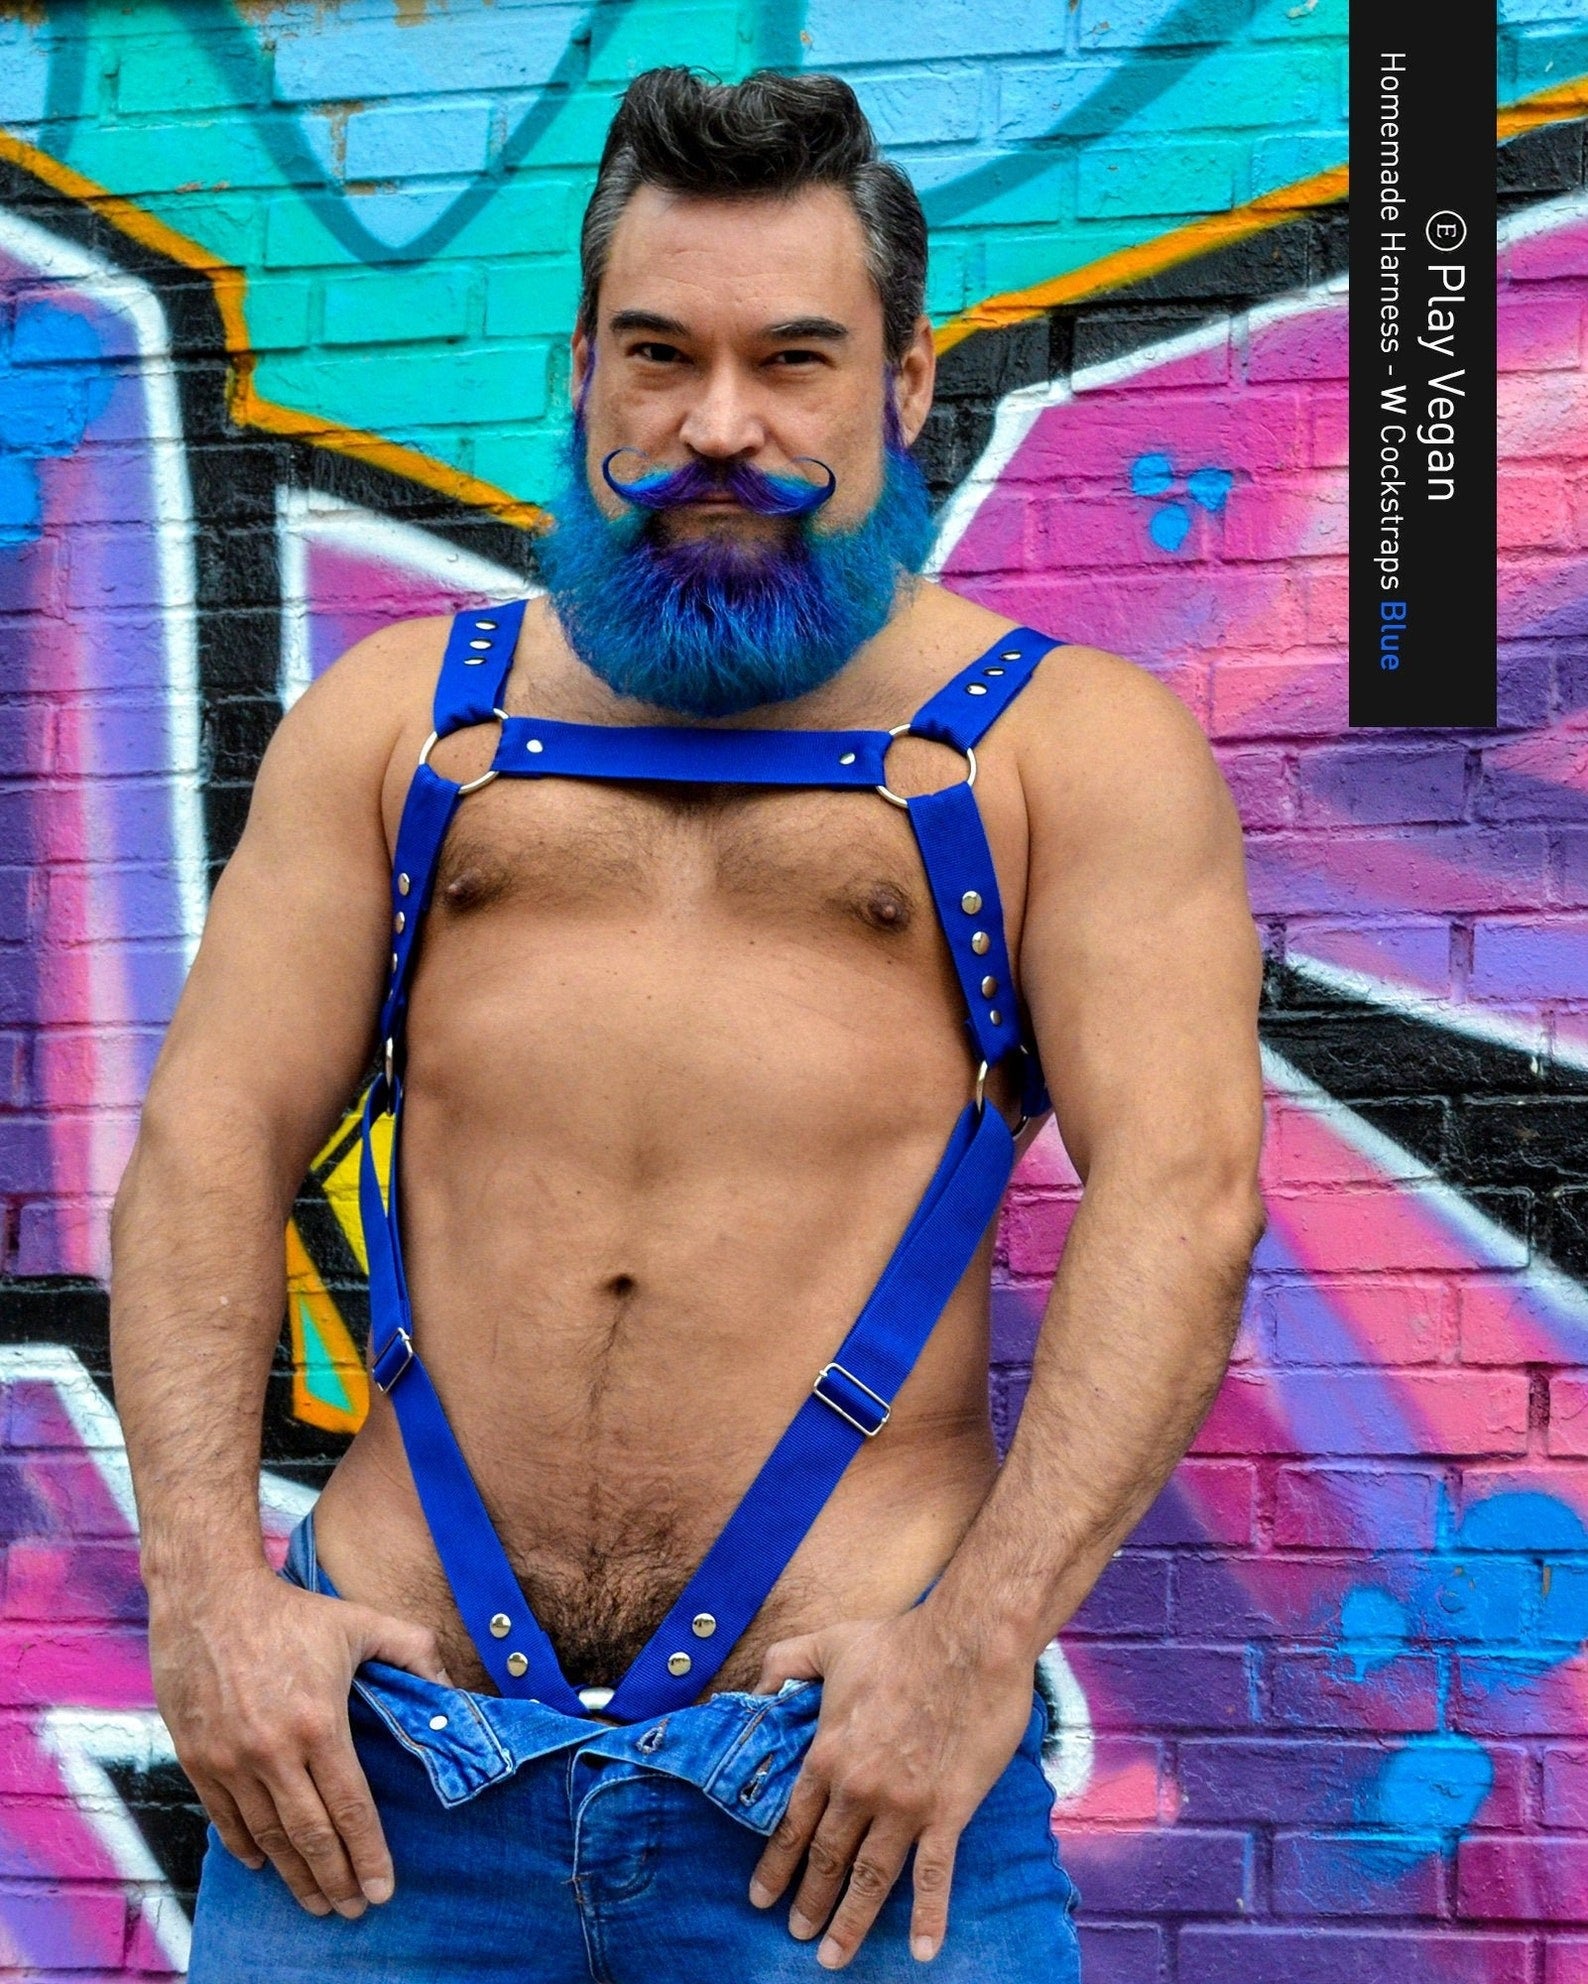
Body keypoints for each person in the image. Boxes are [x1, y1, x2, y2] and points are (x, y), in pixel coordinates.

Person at [109, 66, 1265, 1983]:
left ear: (904, 384)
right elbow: (204, 1142)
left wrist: (973, 1654)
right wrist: (206, 1603)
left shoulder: (1068, 753)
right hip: (375, 1796)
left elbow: (1189, 1197)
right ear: (583, 374)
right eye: (660, 355)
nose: (720, 426)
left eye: (794, 361)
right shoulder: (406, 724)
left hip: (847, 1797)